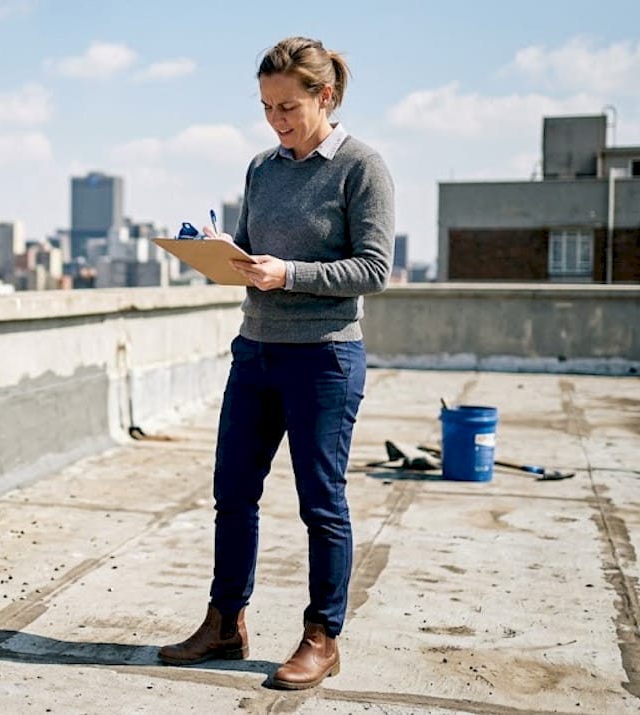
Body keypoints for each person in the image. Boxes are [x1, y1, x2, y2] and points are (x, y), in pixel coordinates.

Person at [157, 36, 394, 690]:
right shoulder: (262, 167)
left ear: (326, 96)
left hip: (323, 358)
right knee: (232, 492)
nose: (276, 120)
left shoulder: (362, 168)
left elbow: (373, 269)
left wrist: (285, 272)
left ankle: (323, 634)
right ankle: (224, 622)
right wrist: (222, 253)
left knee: (321, 502)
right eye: (266, 107)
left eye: (288, 106)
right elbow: (253, 255)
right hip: (255, 350)